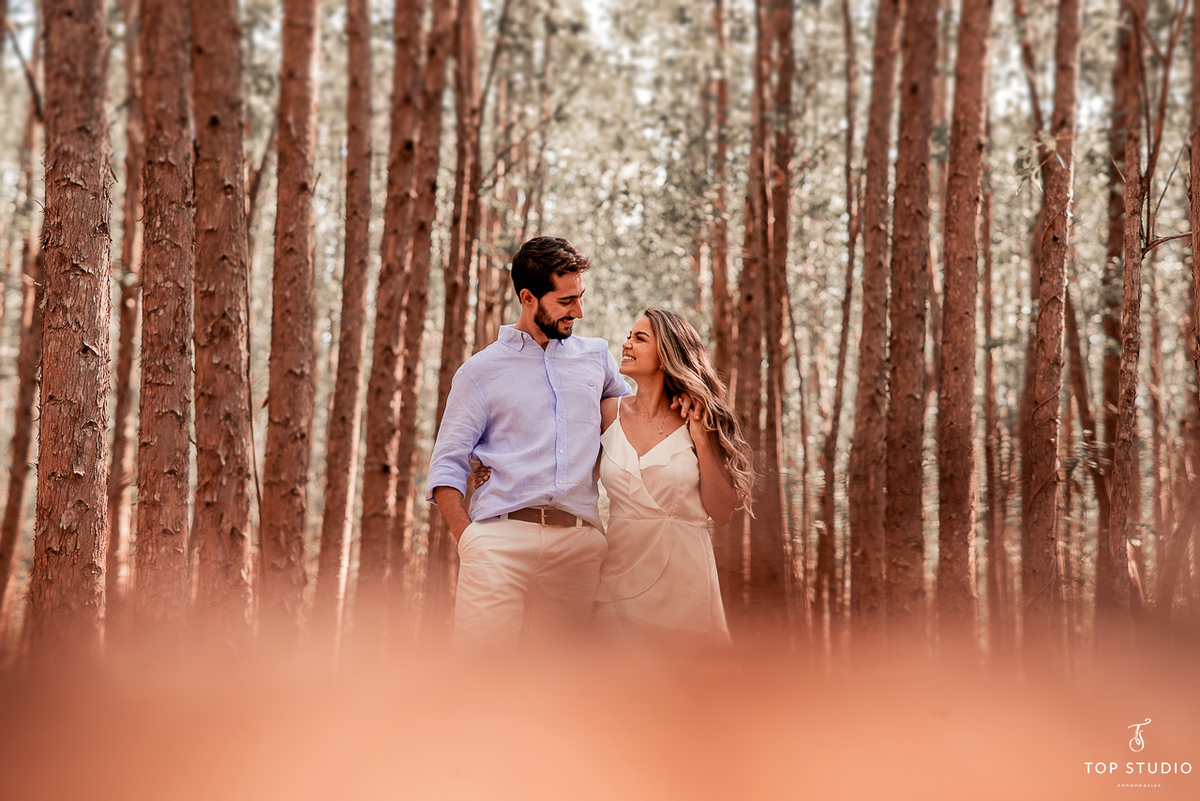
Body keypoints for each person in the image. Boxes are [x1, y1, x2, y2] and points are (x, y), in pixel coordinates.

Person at [475, 308, 753, 646]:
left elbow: (722, 512)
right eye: (628, 336)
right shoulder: (608, 412)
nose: (626, 344)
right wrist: (498, 470)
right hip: (619, 580)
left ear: (666, 354)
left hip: (686, 586)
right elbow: (562, 457)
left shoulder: (696, 414)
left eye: (639, 338)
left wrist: (700, 436)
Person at [426, 236, 630, 648]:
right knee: (481, 674)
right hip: (498, 541)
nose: (580, 311)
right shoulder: (479, 372)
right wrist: (470, 540)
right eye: (566, 301)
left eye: (581, 297)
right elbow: (447, 465)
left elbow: (637, 417)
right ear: (528, 297)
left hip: (578, 543)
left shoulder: (597, 358)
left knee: (566, 680)